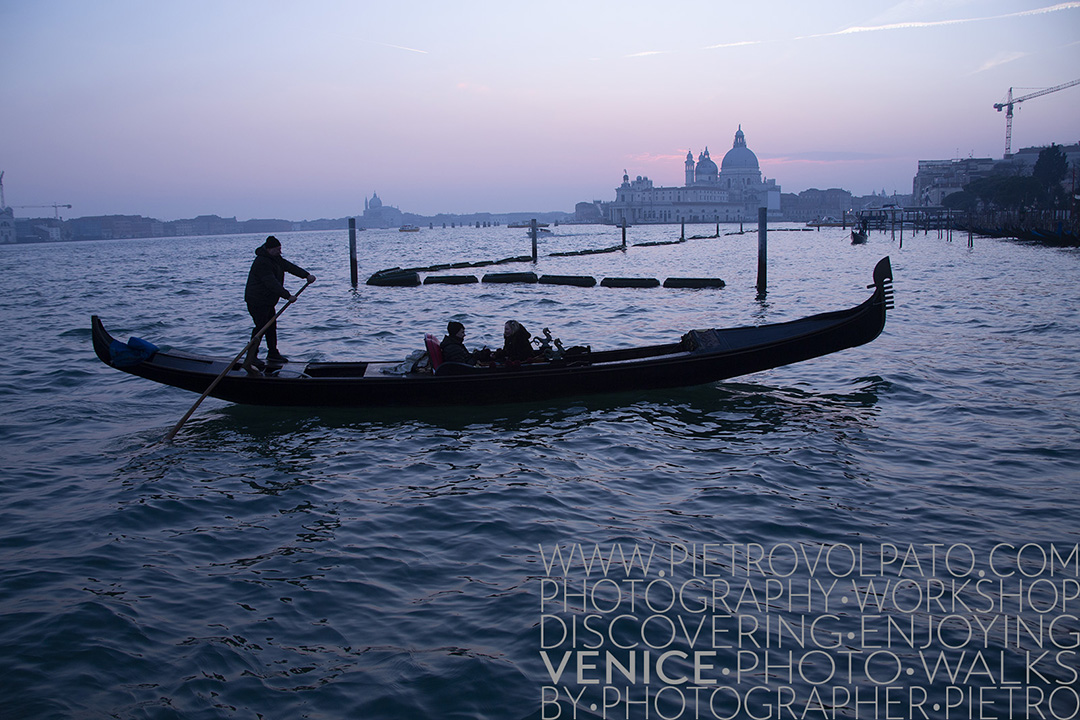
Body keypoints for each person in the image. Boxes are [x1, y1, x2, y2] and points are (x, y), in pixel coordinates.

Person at [243, 235, 315, 371]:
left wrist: (306, 275)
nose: (279, 252)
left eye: (280, 249)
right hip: (257, 300)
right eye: (277, 249)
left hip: (268, 301)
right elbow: (271, 283)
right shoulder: (262, 262)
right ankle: (252, 356)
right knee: (260, 327)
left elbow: (290, 267)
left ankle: (273, 353)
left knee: (271, 326)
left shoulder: (276, 259)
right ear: (269, 249)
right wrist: (287, 296)